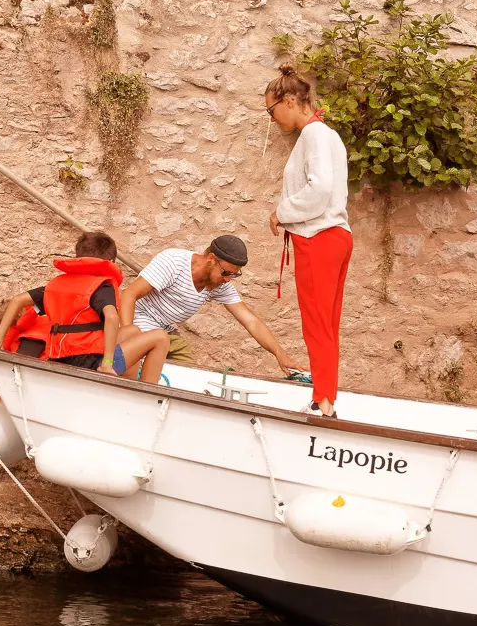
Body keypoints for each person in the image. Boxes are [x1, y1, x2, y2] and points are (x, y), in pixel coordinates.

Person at [265, 70, 352, 417]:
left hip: (317, 236)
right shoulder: (325, 135)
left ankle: (324, 402)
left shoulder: (313, 135)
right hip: (334, 236)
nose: (272, 120)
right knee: (326, 324)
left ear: (289, 101)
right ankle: (325, 397)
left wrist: (281, 212)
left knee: (316, 323)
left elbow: (319, 189)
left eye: (271, 111)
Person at [114, 235, 299, 385]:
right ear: (211, 259)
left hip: (166, 330)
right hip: (140, 320)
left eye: (235, 275)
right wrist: (128, 332)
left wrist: (280, 354)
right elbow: (130, 294)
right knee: (146, 376)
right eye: (226, 273)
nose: (228, 279)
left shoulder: (219, 284)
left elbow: (250, 321)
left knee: (191, 378)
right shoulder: (174, 262)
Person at [0, 231, 124, 372]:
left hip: (59, 356)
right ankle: (127, 388)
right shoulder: (103, 286)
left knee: (130, 332)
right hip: (90, 360)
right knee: (145, 336)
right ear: (110, 262)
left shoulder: (57, 284)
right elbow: (111, 317)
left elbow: (17, 300)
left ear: (77, 257)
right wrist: (107, 363)